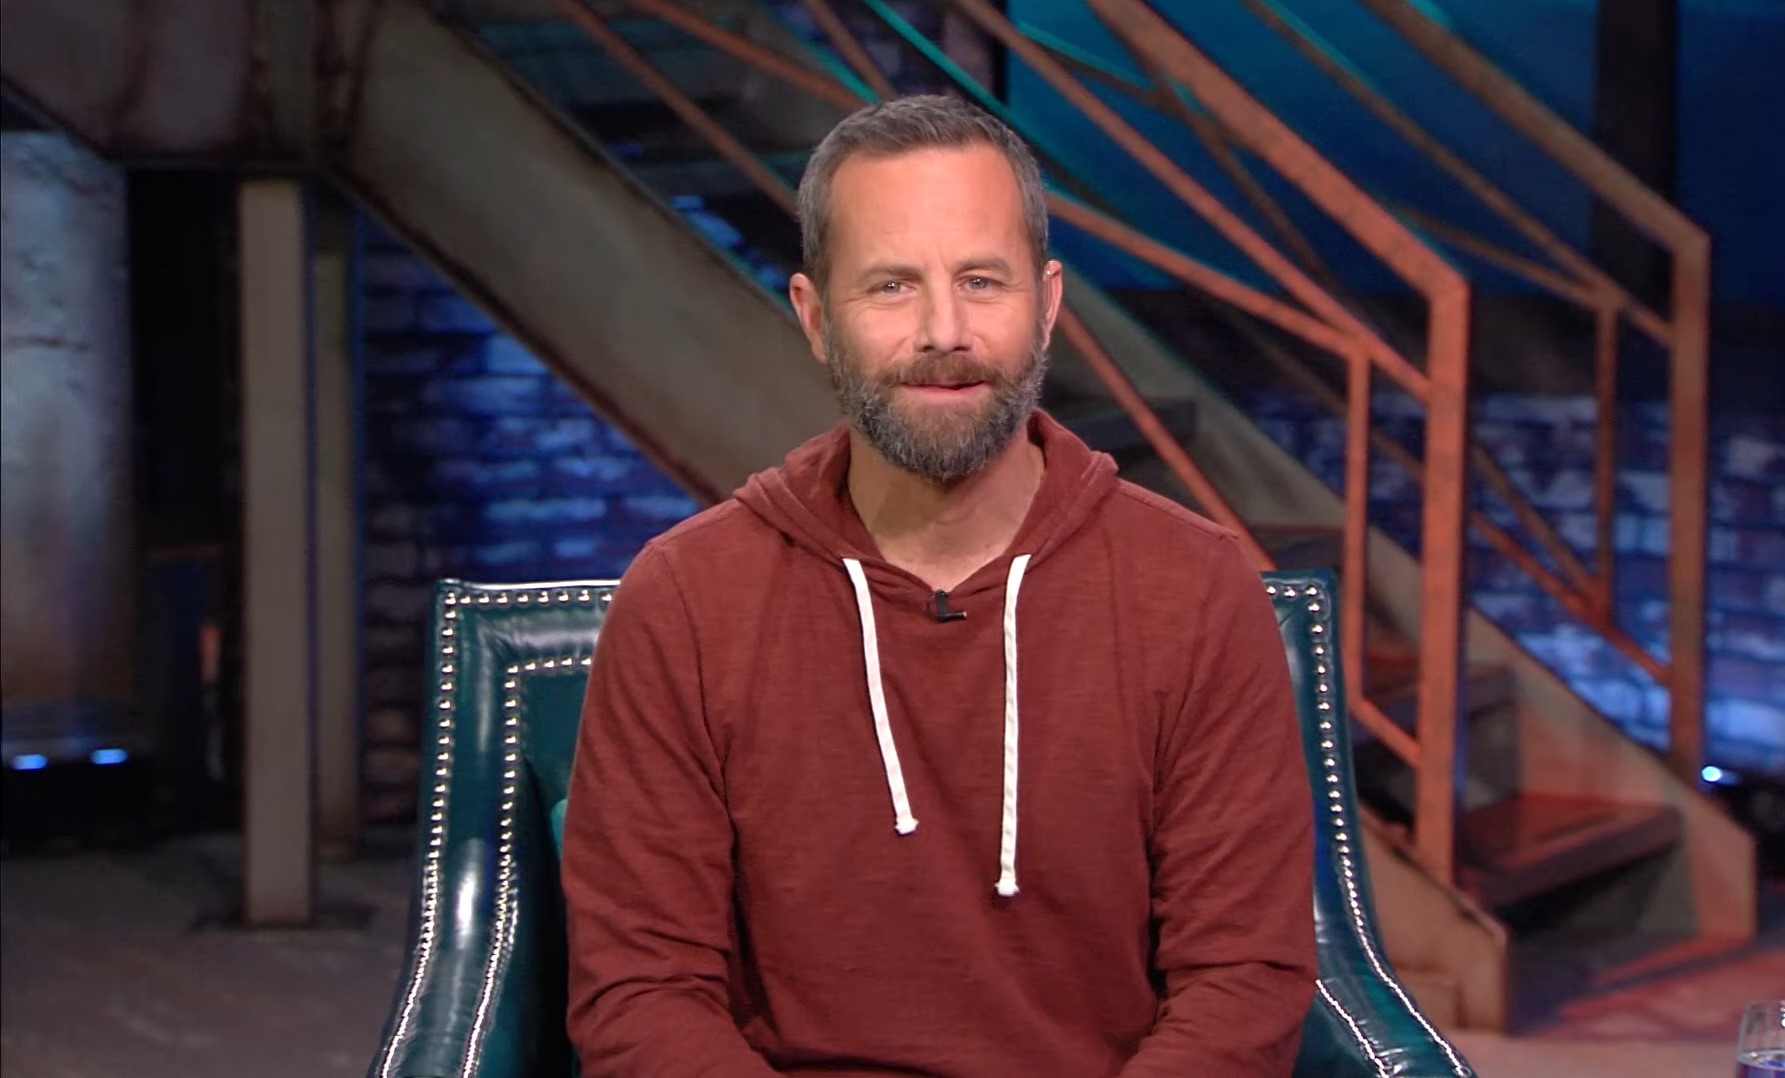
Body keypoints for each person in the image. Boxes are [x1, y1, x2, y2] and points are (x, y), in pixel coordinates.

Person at [563, 93, 1316, 1076]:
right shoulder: (686, 600)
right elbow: (641, 992)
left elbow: (1243, 977)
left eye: (981, 281)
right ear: (816, 318)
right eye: (891, 286)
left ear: (1047, 305)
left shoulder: (1197, 591)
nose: (944, 330)